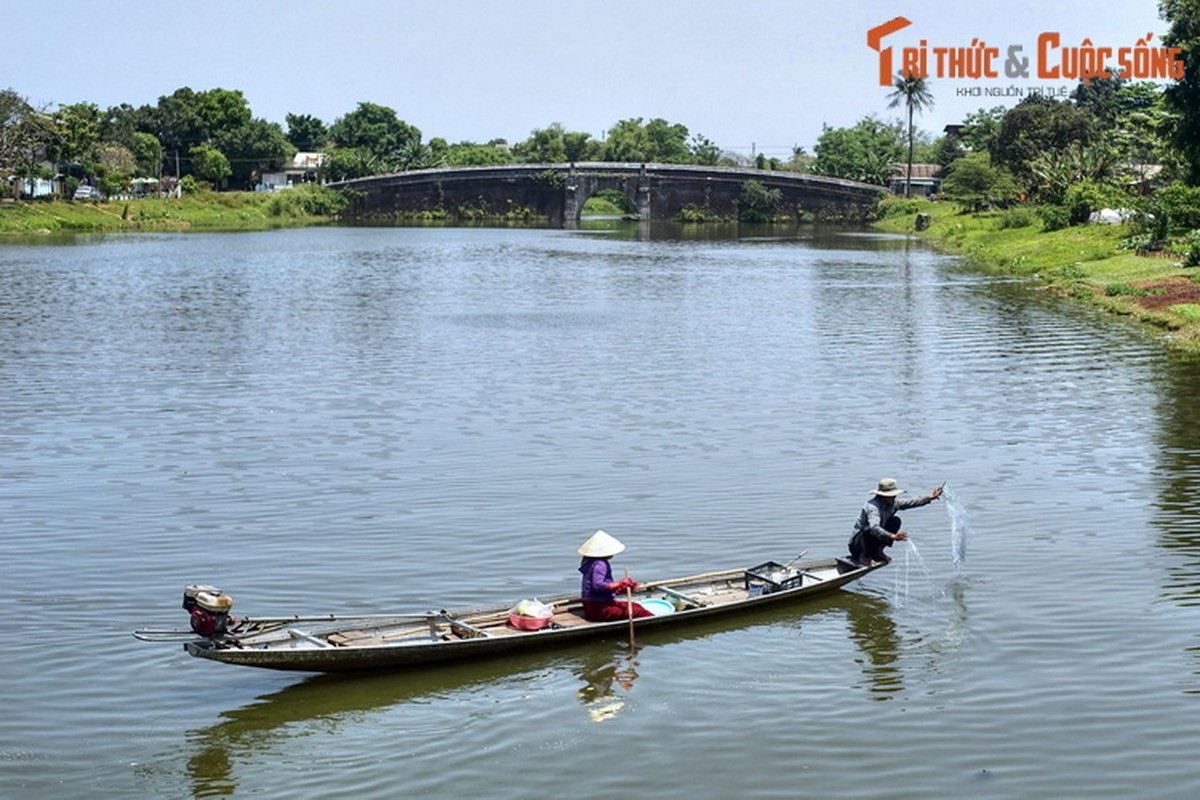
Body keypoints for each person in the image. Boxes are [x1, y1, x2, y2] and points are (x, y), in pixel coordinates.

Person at [849, 478, 943, 566]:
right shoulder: (873, 507)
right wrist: (893, 536)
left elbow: (910, 502)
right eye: (892, 495)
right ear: (882, 496)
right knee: (870, 529)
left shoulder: (892, 503)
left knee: (895, 521)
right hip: (857, 546)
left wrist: (930, 498)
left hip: (872, 542)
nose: (895, 496)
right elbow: (874, 528)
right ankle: (863, 556)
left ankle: (878, 551)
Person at [577, 529, 653, 622]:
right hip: (599, 608)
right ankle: (656, 624)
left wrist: (622, 588)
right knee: (639, 611)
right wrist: (621, 583)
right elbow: (598, 586)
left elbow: (602, 590)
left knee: (636, 606)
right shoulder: (600, 564)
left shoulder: (590, 563)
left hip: (592, 605)